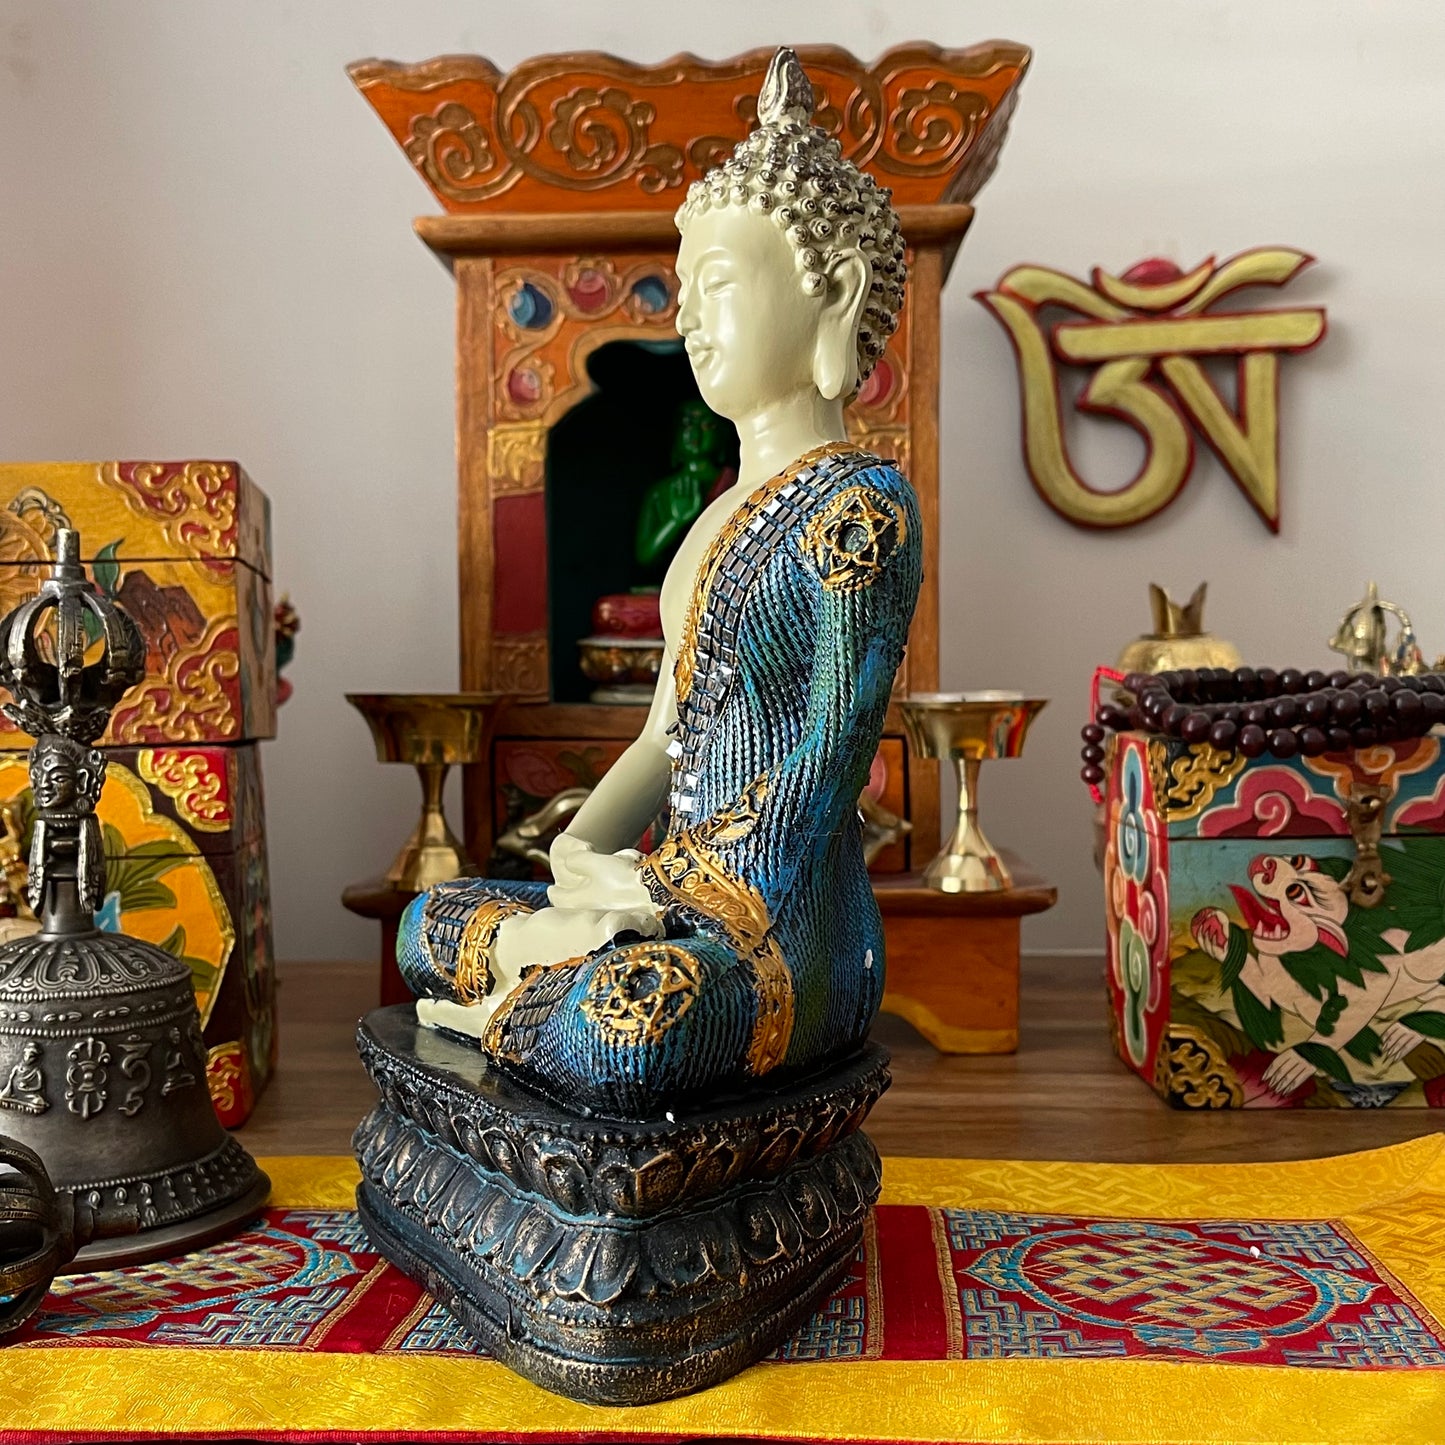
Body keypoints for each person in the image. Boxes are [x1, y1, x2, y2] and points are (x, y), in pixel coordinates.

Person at [397, 47, 920, 1116]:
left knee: (633, 1026)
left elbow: (825, 766)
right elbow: (662, 737)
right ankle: (538, 978)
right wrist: (586, 852)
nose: (685, 320)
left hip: (776, 942)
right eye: (682, 292)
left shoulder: (859, 509)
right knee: (428, 920)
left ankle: (512, 1007)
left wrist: (658, 895)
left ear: (834, 293)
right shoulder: (715, 517)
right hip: (665, 908)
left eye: (716, 288)